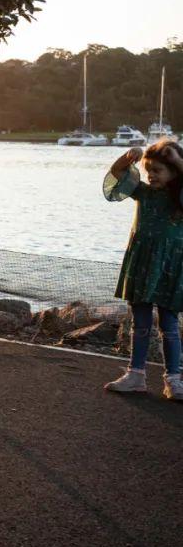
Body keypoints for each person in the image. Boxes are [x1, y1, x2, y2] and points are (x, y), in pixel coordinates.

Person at [102, 141, 183, 400]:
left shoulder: (179, 195)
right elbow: (116, 175)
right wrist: (128, 158)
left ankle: (174, 379)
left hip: (170, 265)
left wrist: (179, 162)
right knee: (141, 322)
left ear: (174, 172)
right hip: (143, 263)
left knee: (169, 324)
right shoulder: (143, 192)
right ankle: (135, 374)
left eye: (158, 170)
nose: (151, 175)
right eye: (149, 170)